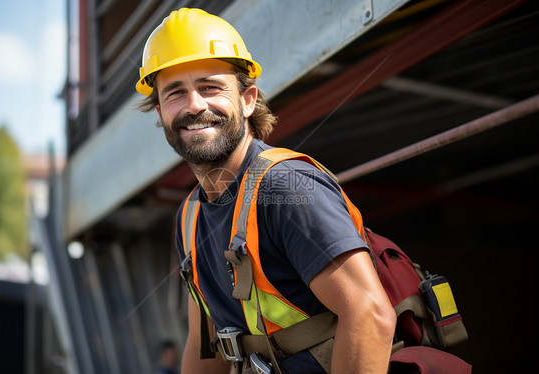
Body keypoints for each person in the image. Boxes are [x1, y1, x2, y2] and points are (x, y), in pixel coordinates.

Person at [137, 8, 396, 374]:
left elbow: (370, 314)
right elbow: (205, 346)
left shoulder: (286, 187)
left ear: (247, 100)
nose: (194, 105)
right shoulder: (189, 217)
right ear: (161, 111)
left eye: (210, 87)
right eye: (175, 93)